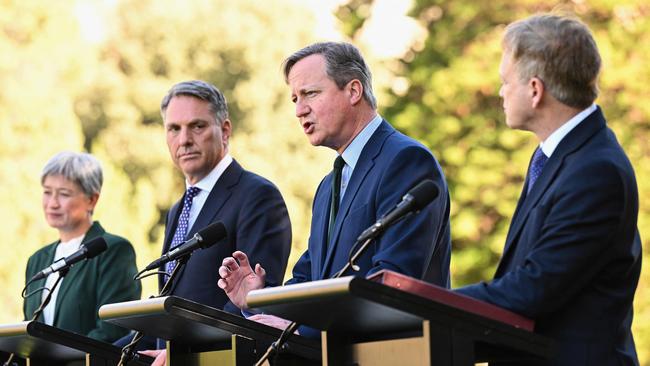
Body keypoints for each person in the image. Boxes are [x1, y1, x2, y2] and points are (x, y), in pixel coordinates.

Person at [218, 42, 452, 335]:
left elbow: (392, 283)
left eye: (310, 94)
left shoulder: (406, 161)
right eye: (294, 99)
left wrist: (300, 330)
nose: (300, 110)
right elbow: (309, 279)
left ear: (354, 91)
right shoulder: (328, 187)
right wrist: (257, 299)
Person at [455, 14, 642, 366]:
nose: (500, 92)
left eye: (505, 81)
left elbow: (533, 289)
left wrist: (426, 305)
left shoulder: (595, 171)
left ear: (535, 90)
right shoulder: (558, 155)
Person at [136, 80, 292, 363]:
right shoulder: (178, 209)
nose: (184, 139)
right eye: (174, 129)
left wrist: (182, 350)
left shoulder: (258, 196)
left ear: (225, 130)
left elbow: (252, 301)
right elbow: (174, 303)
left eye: (197, 126)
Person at [23, 151, 141, 342]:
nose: (52, 203)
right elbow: (29, 327)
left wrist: (58, 357)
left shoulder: (113, 250)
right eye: (47, 192)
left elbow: (113, 329)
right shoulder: (37, 260)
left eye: (64, 194)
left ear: (91, 199)